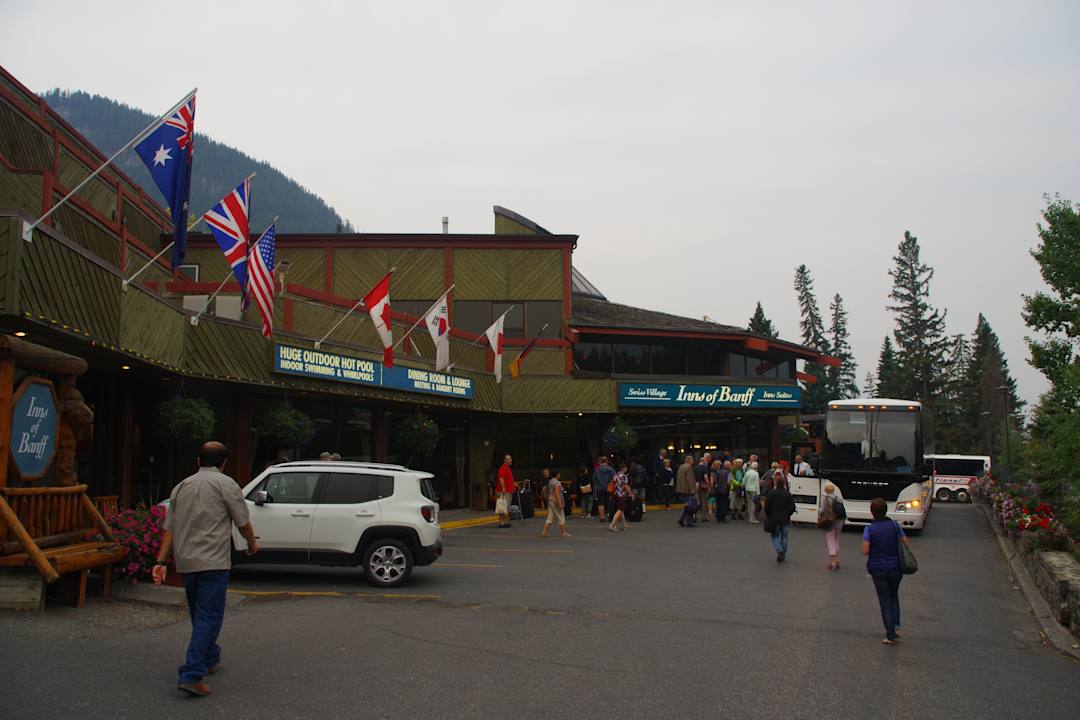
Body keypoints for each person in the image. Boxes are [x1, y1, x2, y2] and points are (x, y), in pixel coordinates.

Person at [152, 441, 259, 697]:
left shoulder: (181, 487)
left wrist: (160, 561)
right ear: (224, 463)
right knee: (209, 616)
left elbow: (170, 529)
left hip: (187, 561)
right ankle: (191, 674)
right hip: (214, 561)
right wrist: (252, 543)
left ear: (198, 461)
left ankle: (210, 657)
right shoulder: (227, 485)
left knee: (200, 615)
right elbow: (242, 520)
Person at [862, 497, 911, 644]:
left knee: (885, 601)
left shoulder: (869, 529)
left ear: (872, 512)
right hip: (896, 567)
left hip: (878, 568)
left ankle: (890, 634)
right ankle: (896, 626)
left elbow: (865, 550)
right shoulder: (895, 526)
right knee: (894, 596)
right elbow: (906, 543)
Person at [762, 471, 796, 562]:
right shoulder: (787, 494)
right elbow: (792, 507)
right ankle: (783, 553)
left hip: (774, 517)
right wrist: (788, 513)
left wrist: (768, 514)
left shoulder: (771, 493)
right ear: (784, 484)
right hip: (785, 518)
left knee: (775, 535)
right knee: (784, 537)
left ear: (776, 483)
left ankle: (779, 550)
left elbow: (767, 506)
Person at [821, 482, 845, 570]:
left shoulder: (826, 498)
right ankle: (837, 559)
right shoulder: (839, 498)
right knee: (836, 539)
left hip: (830, 521)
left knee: (830, 540)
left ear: (826, 490)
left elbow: (822, 510)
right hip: (840, 520)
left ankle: (834, 562)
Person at [542, 470, 572, 538]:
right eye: (559, 474)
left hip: (550, 500)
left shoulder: (550, 481)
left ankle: (545, 531)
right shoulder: (557, 483)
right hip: (555, 501)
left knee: (550, 516)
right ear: (557, 474)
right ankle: (563, 533)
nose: (560, 475)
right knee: (561, 516)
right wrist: (560, 503)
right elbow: (557, 493)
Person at [609, 462, 632, 532]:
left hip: (615, 494)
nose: (626, 469)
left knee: (621, 510)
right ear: (623, 468)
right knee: (619, 510)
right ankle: (613, 525)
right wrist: (631, 494)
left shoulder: (616, 475)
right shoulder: (624, 476)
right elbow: (626, 486)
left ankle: (624, 524)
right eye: (625, 468)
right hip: (621, 494)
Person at [494, 454, 515, 528]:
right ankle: (501, 523)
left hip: (508, 491)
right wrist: (503, 488)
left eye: (511, 459)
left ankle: (504, 522)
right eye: (509, 459)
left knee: (506, 508)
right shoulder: (503, 468)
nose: (511, 460)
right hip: (504, 491)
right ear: (505, 460)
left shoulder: (507, 468)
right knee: (502, 507)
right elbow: (501, 478)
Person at [676, 455, 697, 527]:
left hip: (681, 489)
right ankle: (689, 522)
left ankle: (682, 519)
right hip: (687, 489)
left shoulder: (681, 467)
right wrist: (692, 489)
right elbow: (690, 479)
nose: (693, 461)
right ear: (689, 460)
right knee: (690, 506)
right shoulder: (689, 467)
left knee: (687, 505)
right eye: (692, 460)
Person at [592, 456, 615, 522]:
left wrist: (598, 484)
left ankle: (602, 517)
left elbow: (594, 479)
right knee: (610, 502)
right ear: (607, 461)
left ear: (601, 461)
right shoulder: (611, 469)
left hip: (600, 488)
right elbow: (615, 478)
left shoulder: (597, 469)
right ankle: (610, 516)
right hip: (609, 488)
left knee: (601, 503)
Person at [693, 455, 711, 522]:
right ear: (704, 461)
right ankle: (704, 517)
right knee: (704, 501)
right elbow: (705, 477)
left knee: (696, 501)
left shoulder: (695, 467)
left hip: (696, 484)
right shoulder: (704, 467)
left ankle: (694, 515)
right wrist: (708, 485)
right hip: (703, 484)